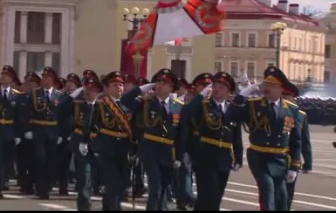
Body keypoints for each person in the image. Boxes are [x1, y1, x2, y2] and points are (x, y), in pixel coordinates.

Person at [228, 66, 302, 211]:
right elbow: (230, 115)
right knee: (267, 190)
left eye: (273, 86)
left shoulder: (291, 109)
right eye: (267, 85)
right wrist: (241, 96)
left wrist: (294, 166)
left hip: (280, 159)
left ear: (281, 89)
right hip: (259, 156)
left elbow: (295, 140)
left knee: (282, 199)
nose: (268, 89)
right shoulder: (253, 105)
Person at [121, 68, 184, 210]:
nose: (161, 85)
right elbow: (124, 101)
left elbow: (182, 134)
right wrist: (142, 88)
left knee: (163, 188)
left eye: (165, 83)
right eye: (159, 82)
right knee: (155, 186)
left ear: (172, 87)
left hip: (168, 153)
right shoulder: (145, 102)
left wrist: (179, 156)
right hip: (149, 151)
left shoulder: (178, 106)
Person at [179, 72, 243, 211]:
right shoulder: (204, 106)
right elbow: (187, 113)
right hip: (205, 156)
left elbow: (236, 135)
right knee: (209, 194)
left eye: (221, 87)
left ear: (228, 91)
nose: (217, 89)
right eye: (215, 86)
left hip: (224, 158)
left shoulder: (232, 109)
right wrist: (201, 95)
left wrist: (238, 157)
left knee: (215, 196)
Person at [90, 71, 132, 211]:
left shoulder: (128, 105)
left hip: (123, 149)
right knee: (112, 182)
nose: (119, 88)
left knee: (121, 183)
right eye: (115, 85)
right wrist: (93, 146)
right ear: (106, 88)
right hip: (107, 149)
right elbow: (92, 126)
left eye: (121, 85)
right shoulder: (100, 104)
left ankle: (108, 207)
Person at [23, 67, 66, 199]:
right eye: (43, 77)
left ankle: (47, 186)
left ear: (53, 80)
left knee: (50, 161)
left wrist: (61, 134)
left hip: (53, 132)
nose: (44, 79)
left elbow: (62, 117)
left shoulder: (59, 95)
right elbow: (26, 113)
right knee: (40, 159)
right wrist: (27, 129)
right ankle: (41, 189)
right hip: (38, 130)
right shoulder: (34, 94)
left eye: (47, 77)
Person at [0, 65, 24, 198]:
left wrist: (18, 134)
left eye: (6, 76)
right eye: (2, 75)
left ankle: (3, 182)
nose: (3, 78)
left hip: (10, 131)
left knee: (7, 162)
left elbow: (19, 117)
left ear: (11, 79)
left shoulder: (16, 96)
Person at [65, 77, 101, 210]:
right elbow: (62, 107)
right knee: (84, 176)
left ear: (98, 91)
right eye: (87, 89)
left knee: (96, 177)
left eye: (92, 90)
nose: (88, 92)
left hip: (99, 147)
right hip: (81, 146)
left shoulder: (102, 106)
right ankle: (84, 204)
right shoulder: (77, 105)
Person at [282, 81, 312, 211]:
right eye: (283, 96)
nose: (285, 98)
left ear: (293, 98)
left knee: (288, 191)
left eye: (287, 96)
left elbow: (305, 140)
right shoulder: (274, 110)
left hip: (292, 158)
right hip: (275, 155)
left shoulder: (301, 115)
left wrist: (308, 162)